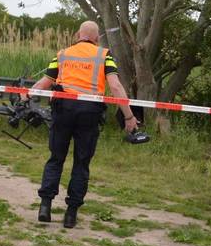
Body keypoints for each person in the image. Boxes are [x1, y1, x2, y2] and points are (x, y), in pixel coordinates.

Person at [27, 21, 138, 229]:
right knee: (81, 163)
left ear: (78, 34)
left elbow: (44, 82)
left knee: (56, 158)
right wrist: (129, 117)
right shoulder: (103, 55)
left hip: (63, 110)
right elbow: (115, 86)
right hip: (89, 112)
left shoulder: (63, 54)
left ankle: (45, 206)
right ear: (96, 38)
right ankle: (71, 214)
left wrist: (26, 95)